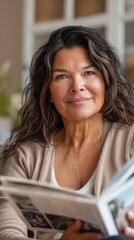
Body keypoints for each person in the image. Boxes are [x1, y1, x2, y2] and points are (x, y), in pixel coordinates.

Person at [0, 25, 134, 240]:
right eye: (62, 76)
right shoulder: (26, 156)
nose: (77, 86)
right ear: (49, 92)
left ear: (107, 83)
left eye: (89, 73)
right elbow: (7, 233)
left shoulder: (130, 142)